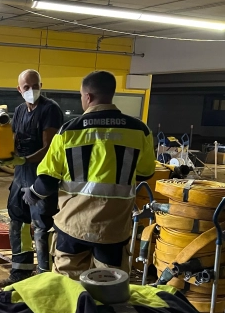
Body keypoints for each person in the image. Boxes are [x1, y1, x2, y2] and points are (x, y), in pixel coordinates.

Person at [21, 71, 156, 279]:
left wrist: (32, 193)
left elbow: (47, 181)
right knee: (109, 288)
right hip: (114, 228)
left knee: (68, 285)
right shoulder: (139, 130)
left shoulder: (68, 131)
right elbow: (146, 172)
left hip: (73, 226)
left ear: (88, 97)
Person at [0, 69, 64, 290]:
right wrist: (1, 147)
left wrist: (23, 160)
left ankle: (45, 278)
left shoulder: (50, 110)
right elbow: (14, 138)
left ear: (41, 85)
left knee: (42, 226)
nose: (31, 90)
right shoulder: (21, 110)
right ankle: (20, 273)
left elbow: (49, 147)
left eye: (35, 85)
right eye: (26, 87)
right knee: (18, 221)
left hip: (42, 175)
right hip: (21, 175)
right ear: (19, 89)